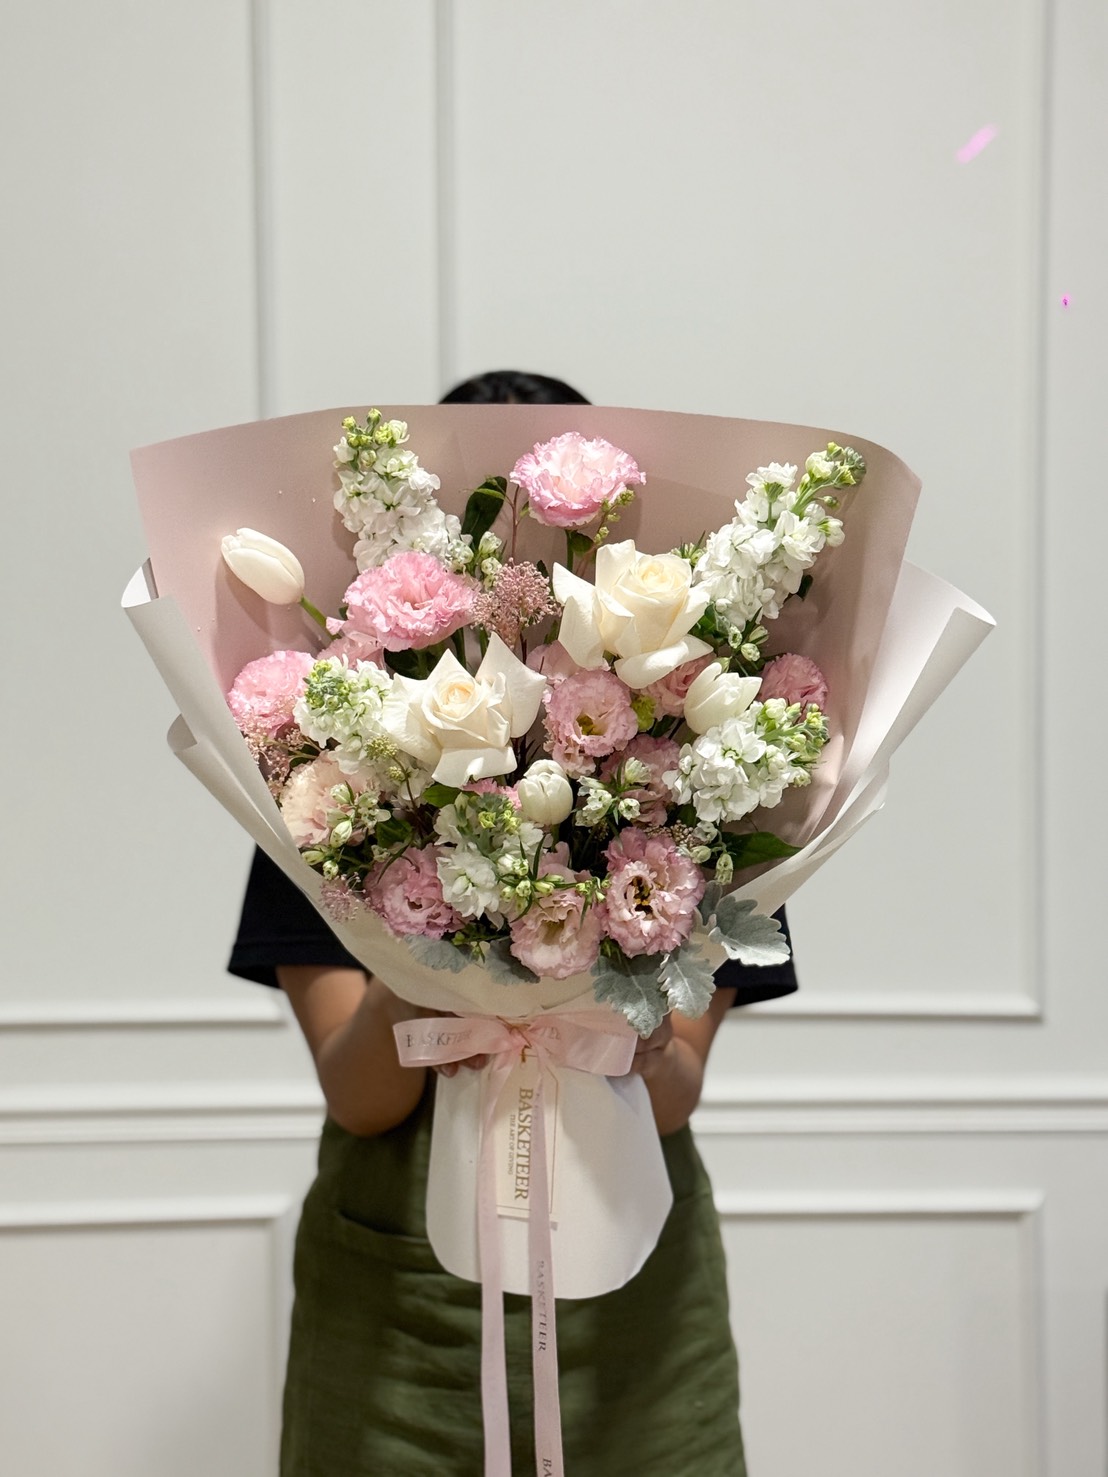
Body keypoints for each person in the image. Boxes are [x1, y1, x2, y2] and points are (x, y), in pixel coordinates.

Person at [228, 368, 799, 1476]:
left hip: (636, 1303)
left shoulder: (697, 803)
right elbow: (359, 1094)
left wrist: (616, 996)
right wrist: (418, 940)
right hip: (397, 1306)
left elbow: (673, 1095)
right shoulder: (323, 795)